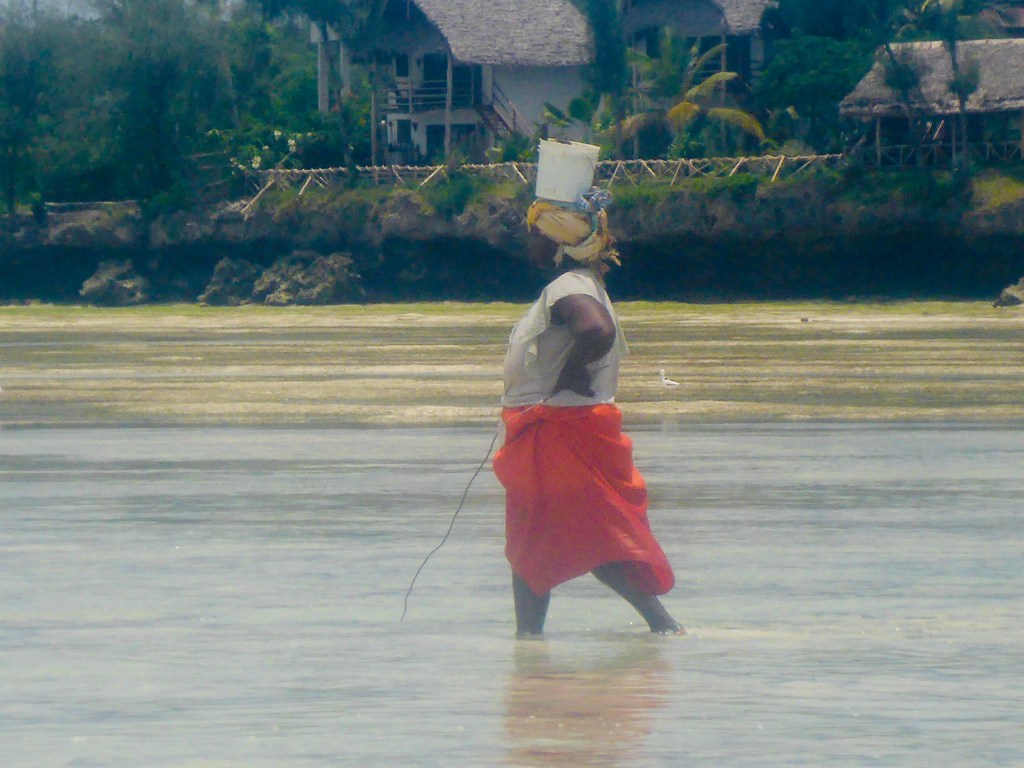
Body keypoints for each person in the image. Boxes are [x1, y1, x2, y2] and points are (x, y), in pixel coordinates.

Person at [492, 191, 683, 637]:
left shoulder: (568, 287)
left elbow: (595, 331)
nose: (529, 243)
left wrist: (573, 373)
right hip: (560, 427)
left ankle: (532, 641)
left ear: (558, 243)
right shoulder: (584, 284)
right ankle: (529, 643)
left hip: (558, 429)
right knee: (553, 537)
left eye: (536, 234)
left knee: (573, 537)